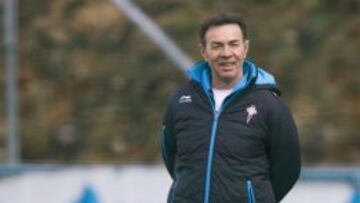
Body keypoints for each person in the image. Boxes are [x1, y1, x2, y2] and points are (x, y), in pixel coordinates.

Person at [160, 13, 301, 203]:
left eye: (233, 44)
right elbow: (171, 156)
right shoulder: (181, 100)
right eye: (217, 46)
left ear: (245, 48)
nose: (226, 53)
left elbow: (288, 168)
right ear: (204, 52)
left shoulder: (269, 104)